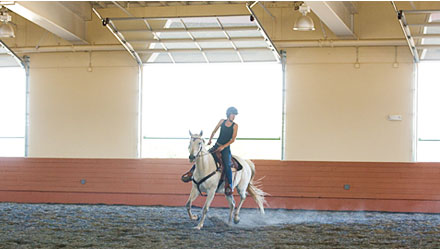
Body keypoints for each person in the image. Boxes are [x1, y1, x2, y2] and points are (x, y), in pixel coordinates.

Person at [182, 107, 239, 196]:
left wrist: (223, 147)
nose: (234, 116)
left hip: (226, 148)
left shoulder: (235, 126)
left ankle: (229, 186)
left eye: (235, 115)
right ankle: (190, 173)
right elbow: (214, 131)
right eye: (233, 114)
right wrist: (210, 140)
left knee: (227, 165)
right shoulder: (222, 121)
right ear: (228, 114)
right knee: (202, 157)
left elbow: (233, 139)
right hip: (217, 145)